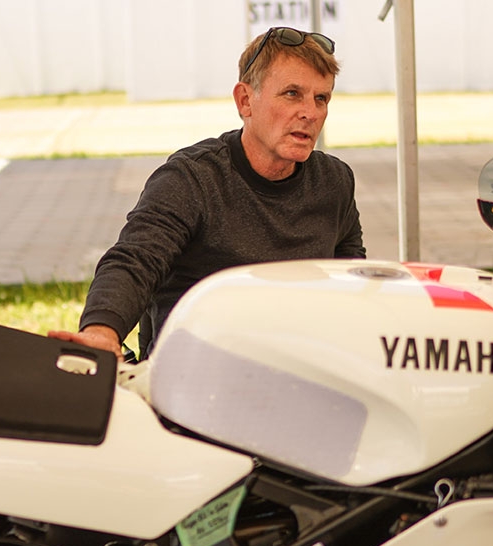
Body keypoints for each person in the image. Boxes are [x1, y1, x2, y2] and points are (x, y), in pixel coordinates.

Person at [48, 26, 365, 360]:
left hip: (304, 370)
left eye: (321, 98)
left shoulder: (335, 181)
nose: (310, 113)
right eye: (292, 94)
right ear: (245, 101)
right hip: (193, 373)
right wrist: (101, 331)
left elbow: (351, 277)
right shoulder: (192, 179)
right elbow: (136, 260)